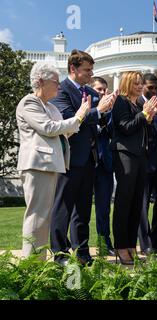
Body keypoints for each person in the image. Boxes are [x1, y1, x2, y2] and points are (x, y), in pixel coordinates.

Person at [16, 62, 90, 260]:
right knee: (37, 216)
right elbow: (49, 128)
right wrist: (80, 117)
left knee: (44, 217)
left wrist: (77, 119)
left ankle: (37, 264)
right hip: (37, 165)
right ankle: (31, 266)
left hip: (51, 165)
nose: (59, 86)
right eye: (55, 82)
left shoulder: (50, 106)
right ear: (40, 81)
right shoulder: (29, 103)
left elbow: (65, 129)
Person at [49, 49, 117, 266]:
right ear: (73, 69)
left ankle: (82, 252)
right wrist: (98, 111)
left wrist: (106, 112)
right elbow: (70, 119)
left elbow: (100, 122)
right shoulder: (62, 91)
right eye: (87, 70)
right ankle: (60, 254)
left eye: (91, 69)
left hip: (90, 159)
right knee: (63, 207)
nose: (91, 73)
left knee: (83, 209)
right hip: (70, 158)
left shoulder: (90, 92)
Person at [110, 71, 157, 264]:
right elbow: (125, 126)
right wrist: (145, 114)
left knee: (136, 204)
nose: (140, 86)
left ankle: (131, 245)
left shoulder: (138, 103)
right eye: (137, 83)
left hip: (141, 157)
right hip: (124, 156)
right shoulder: (121, 102)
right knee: (124, 203)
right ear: (128, 83)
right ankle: (121, 247)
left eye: (141, 83)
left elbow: (143, 128)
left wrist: (150, 116)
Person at [136, 73, 157, 255]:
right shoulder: (136, 104)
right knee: (142, 204)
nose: (154, 91)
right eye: (150, 87)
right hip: (143, 159)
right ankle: (146, 243)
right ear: (142, 86)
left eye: (156, 88)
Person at [90, 76, 115, 256]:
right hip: (86, 163)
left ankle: (105, 244)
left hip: (105, 164)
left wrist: (109, 111)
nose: (102, 92)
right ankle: (76, 246)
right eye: (99, 89)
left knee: (104, 208)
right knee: (79, 208)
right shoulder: (85, 110)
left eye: (104, 90)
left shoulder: (110, 113)